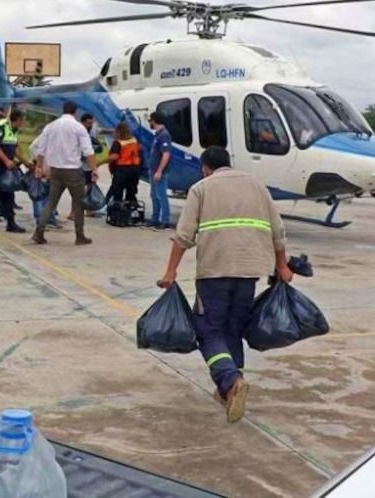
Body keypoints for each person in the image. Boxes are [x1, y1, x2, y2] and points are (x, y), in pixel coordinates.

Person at [158, 146, 293, 423]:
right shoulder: (257, 186)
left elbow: (183, 236)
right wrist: (282, 266)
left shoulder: (201, 188)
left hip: (214, 272)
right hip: (250, 271)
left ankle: (231, 380)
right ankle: (228, 390)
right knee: (233, 328)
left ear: (206, 167)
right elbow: (278, 231)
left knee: (208, 332)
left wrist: (170, 271)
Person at [31, 101, 98, 246]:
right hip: (73, 170)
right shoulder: (78, 127)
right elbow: (88, 151)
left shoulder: (51, 126)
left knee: (51, 202)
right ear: (75, 112)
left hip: (55, 170)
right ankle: (80, 236)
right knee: (79, 203)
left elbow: (41, 149)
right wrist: (94, 169)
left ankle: (39, 231)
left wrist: (39, 166)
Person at [0, 109, 29, 235]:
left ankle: (11, 222)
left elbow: (13, 148)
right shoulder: (1, 126)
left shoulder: (13, 129)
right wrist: (6, 161)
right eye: (23, 120)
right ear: (18, 120)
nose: (24, 123)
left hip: (6, 166)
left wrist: (25, 162)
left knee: (9, 192)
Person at [74, 113, 105, 219]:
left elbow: (102, 131)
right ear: (82, 122)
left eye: (91, 123)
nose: (90, 125)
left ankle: (88, 209)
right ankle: (73, 212)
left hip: (89, 165)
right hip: (79, 165)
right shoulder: (77, 131)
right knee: (79, 190)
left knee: (90, 188)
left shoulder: (93, 130)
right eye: (88, 123)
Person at [29, 130, 61, 229]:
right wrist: (39, 164)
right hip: (42, 170)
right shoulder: (45, 137)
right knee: (40, 194)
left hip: (51, 171)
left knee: (50, 195)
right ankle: (40, 219)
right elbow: (33, 148)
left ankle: (50, 218)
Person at [104, 122, 143, 204]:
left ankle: (116, 211)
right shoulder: (134, 140)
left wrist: (100, 162)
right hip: (135, 169)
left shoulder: (118, 142)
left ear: (119, 131)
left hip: (122, 169)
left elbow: (114, 156)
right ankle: (130, 208)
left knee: (117, 191)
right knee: (131, 191)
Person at [146, 111, 172, 230]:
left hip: (158, 171)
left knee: (161, 195)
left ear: (155, 120)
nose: (149, 123)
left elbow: (166, 154)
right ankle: (155, 218)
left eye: (150, 120)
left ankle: (165, 220)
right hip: (153, 169)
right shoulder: (158, 134)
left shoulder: (164, 135)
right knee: (154, 195)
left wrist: (159, 171)